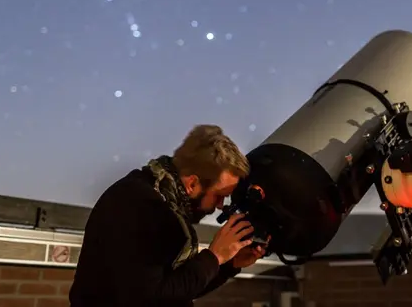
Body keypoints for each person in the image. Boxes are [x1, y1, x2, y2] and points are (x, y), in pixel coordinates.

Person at [69, 124, 267, 307]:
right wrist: (214, 256)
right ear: (192, 184)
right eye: (218, 196)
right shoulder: (142, 205)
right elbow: (150, 297)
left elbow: (178, 288)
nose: (219, 206)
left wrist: (228, 264)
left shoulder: (161, 201)